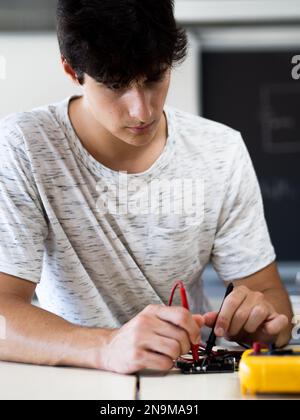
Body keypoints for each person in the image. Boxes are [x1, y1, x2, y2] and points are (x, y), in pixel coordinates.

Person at [0, 0, 293, 374]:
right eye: (116, 85)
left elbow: (273, 300)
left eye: (155, 77)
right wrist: (106, 348)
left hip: (186, 381)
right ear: (72, 71)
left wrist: (265, 321)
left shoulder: (221, 150)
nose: (142, 111)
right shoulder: (24, 145)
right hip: (76, 380)